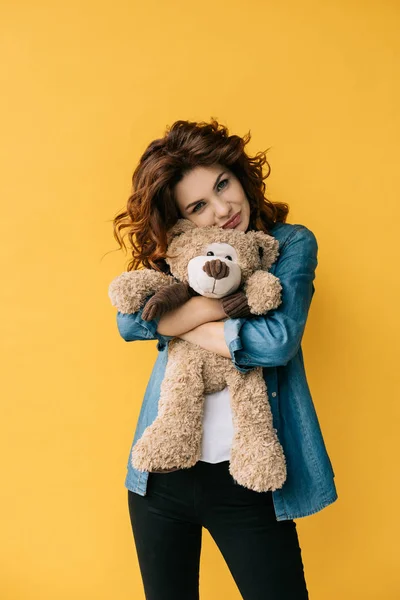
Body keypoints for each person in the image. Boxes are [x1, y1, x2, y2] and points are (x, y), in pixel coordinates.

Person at [111, 118, 338, 600]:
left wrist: (182, 316)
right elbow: (130, 323)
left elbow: (277, 341)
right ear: (181, 220)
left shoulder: (290, 244)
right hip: (158, 482)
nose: (222, 210)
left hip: (248, 482)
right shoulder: (184, 255)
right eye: (198, 206)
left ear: (240, 174)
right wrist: (224, 305)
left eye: (223, 184)